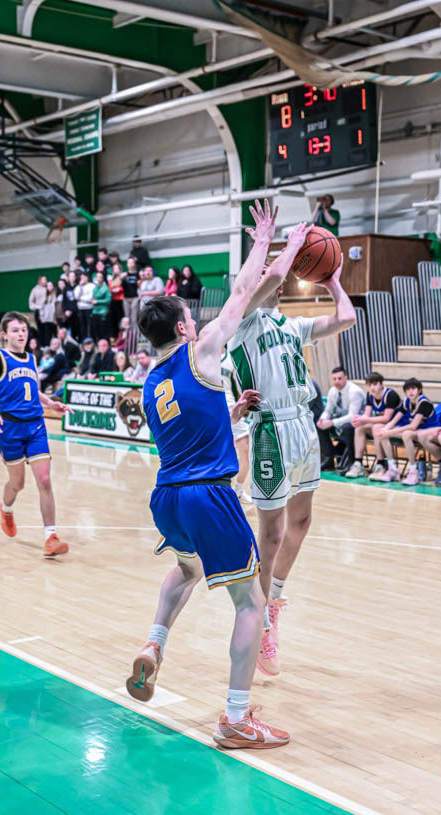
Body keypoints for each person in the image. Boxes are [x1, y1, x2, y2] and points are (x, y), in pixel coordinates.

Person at [125, 198, 291, 750]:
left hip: (167, 497)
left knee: (187, 569)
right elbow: (242, 292)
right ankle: (236, 718)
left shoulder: (153, 381)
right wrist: (263, 239)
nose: (197, 321)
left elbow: (188, 428)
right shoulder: (202, 350)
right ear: (181, 326)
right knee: (251, 604)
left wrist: (231, 412)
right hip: (207, 496)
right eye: (190, 317)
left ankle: (154, 642)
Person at [228, 225, 356, 678]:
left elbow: (346, 318)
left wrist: (332, 280)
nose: (275, 277)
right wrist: (288, 249)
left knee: (302, 522)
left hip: (303, 425)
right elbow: (265, 280)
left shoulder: (292, 325)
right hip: (269, 429)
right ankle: (259, 618)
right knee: (272, 534)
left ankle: (273, 603)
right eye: (265, 272)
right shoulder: (242, 322)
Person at [0, 312, 71, 557]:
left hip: (36, 426)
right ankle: (6, 509)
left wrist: (51, 403)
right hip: (10, 428)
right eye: (15, 330)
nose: (21, 334)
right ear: (5, 334)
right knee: (17, 483)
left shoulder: (31, 358)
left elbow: (32, 390)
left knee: (45, 480)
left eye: (24, 330)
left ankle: (51, 537)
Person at [372, 379, 439, 483]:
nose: (410, 391)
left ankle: (413, 472)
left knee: (406, 434)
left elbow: (413, 426)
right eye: (407, 389)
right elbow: (394, 420)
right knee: (383, 434)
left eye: (413, 388)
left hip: (428, 431)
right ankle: (393, 469)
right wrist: (384, 430)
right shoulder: (406, 401)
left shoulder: (424, 402)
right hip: (416, 432)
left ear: (419, 390)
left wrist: (389, 432)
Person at [345, 372, 401, 478]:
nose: (372, 387)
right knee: (360, 427)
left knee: (376, 427)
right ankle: (358, 464)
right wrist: (358, 420)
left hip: (397, 425)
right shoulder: (369, 395)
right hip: (383, 426)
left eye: (375, 384)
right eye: (369, 385)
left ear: (381, 384)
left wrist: (364, 419)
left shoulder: (390, 395)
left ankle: (381, 465)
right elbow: (367, 415)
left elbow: (386, 418)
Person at [316, 367, 366, 472]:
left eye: (339, 378)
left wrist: (332, 422)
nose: (336, 381)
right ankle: (328, 459)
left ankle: (351, 463)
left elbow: (352, 416)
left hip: (358, 422)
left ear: (346, 378)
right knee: (320, 427)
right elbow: (328, 411)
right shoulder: (332, 391)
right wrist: (322, 419)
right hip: (341, 420)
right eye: (334, 379)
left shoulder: (354, 391)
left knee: (347, 427)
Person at [221, 348, 252, 503]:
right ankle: (218, 491)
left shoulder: (231, 359)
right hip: (212, 412)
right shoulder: (202, 355)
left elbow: (239, 388)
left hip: (231, 409)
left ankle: (239, 489)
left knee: (246, 452)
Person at [90, 271, 113, 342]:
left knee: (104, 331)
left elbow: (108, 300)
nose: (99, 278)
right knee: (97, 331)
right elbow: (93, 298)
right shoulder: (95, 288)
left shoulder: (106, 288)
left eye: (100, 277)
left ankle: (106, 344)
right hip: (95, 312)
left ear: (103, 278)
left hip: (103, 312)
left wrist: (97, 301)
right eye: (97, 277)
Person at [74, 271, 94, 342]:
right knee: (82, 326)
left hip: (89, 308)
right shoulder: (78, 287)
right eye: (81, 278)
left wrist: (81, 299)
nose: (82, 279)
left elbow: (90, 298)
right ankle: (84, 341)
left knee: (90, 325)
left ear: (87, 278)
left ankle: (91, 340)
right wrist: (80, 287)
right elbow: (76, 297)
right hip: (80, 309)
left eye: (83, 277)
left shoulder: (92, 286)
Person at [122, 257, 141, 331]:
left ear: (135, 264)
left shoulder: (138, 274)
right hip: (126, 297)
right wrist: (120, 277)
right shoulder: (124, 275)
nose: (130, 264)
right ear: (127, 264)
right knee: (126, 316)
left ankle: (135, 332)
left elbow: (140, 285)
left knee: (134, 315)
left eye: (132, 262)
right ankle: (128, 332)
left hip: (135, 297)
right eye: (129, 262)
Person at [108, 262, 125, 337]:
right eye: (114, 268)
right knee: (113, 320)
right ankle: (115, 336)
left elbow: (122, 288)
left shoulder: (123, 277)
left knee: (121, 319)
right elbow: (110, 288)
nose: (115, 270)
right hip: (113, 301)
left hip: (121, 301)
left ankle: (122, 336)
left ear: (120, 269)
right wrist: (115, 288)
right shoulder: (111, 280)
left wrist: (117, 288)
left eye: (117, 268)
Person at [39, 281, 58, 347]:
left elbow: (56, 308)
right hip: (46, 319)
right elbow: (41, 308)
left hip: (53, 319)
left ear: (53, 287)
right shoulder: (44, 296)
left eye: (50, 285)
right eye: (48, 286)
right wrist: (42, 317)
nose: (49, 287)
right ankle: (48, 346)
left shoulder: (56, 295)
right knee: (47, 334)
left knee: (55, 333)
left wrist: (55, 318)